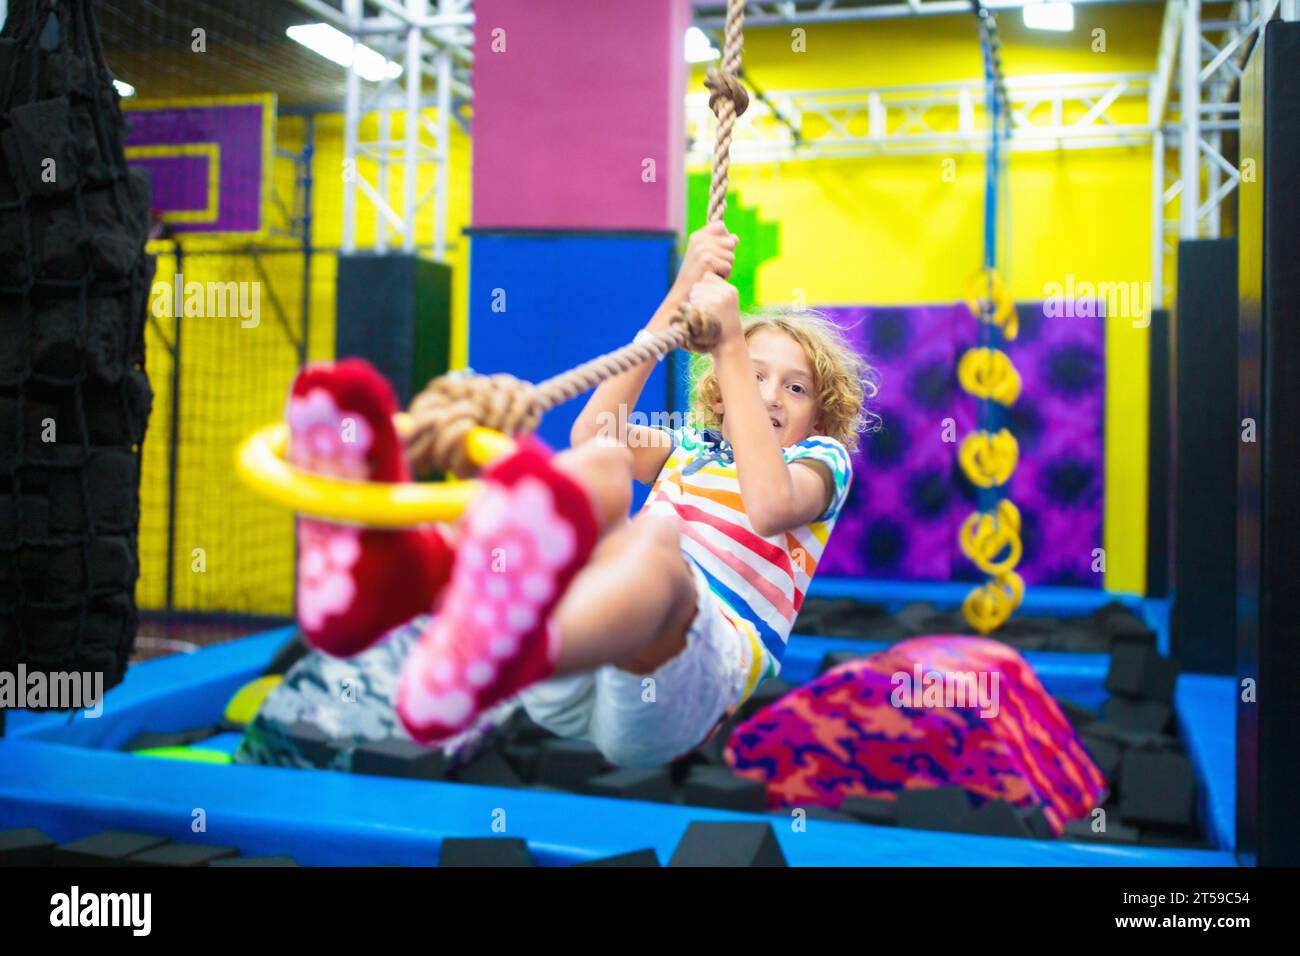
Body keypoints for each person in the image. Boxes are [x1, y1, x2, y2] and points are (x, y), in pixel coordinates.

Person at [393, 223, 876, 766]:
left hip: (685, 689)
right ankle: (466, 600)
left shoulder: (816, 463)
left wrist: (733, 346)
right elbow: (592, 434)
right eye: (757, 376)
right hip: (583, 674)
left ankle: (497, 647)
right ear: (719, 398)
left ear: (820, 414)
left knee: (654, 541)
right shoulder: (690, 448)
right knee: (595, 468)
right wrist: (681, 292)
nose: (771, 395)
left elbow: (769, 506)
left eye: (795, 387)